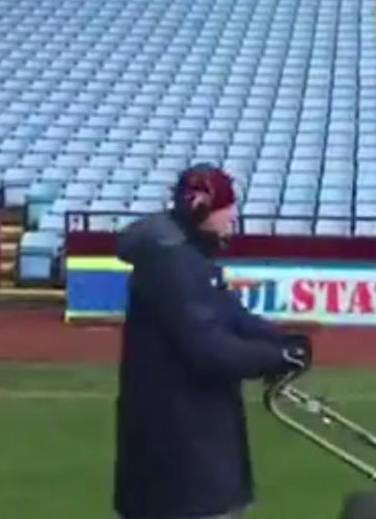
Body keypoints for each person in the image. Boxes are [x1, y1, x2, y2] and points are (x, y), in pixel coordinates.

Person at [113, 163, 311, 519]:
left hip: (193, 449)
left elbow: (231, 315)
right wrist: (277, 356)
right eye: (226, 207)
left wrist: (282, 342)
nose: (232, 216)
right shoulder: (172, 263)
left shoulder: (187, 256)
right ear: (202, 208)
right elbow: (208, 350)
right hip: (178, 457)